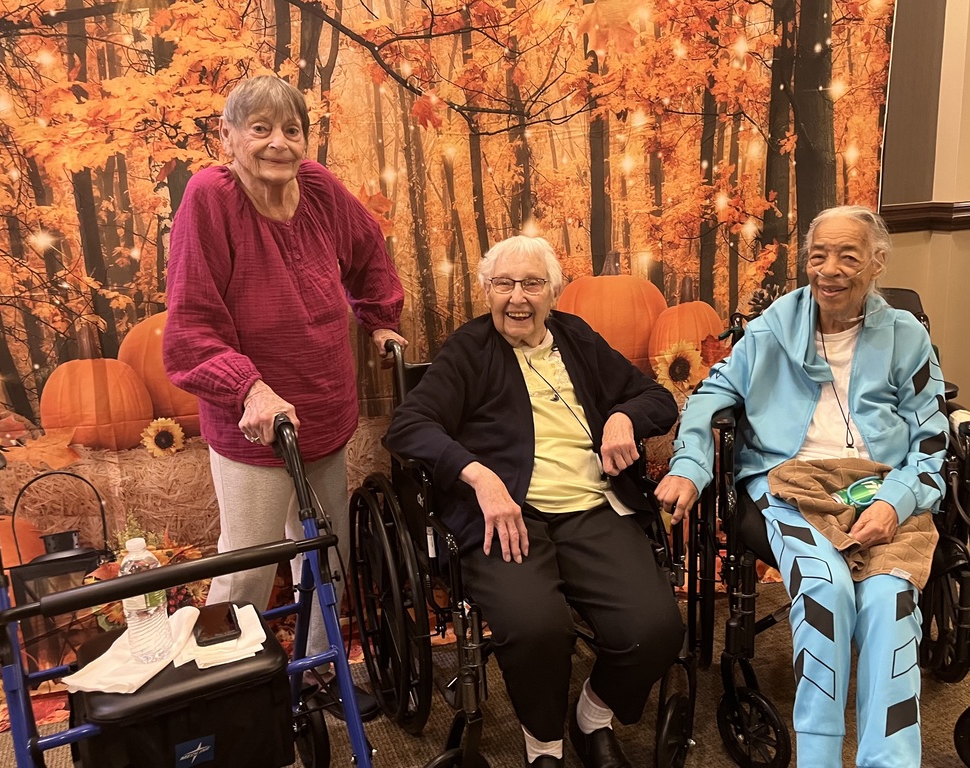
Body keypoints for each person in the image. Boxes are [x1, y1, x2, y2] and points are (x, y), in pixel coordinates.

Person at [655, 205, 949, 768]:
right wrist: (690, 466)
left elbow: (933, 437)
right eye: (818, 256)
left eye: (847, 257)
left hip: (880, 485)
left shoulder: (905, 336)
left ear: (877, 263)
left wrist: (898, 500)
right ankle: (817, 758)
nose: (829, 270)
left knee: (890, 601)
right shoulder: (772, 330)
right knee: (824, 590)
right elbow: (708, 397)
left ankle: (889, 762)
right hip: (787, 483)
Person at [385, 235, 683, 768]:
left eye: (531, 284)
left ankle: (593, 715)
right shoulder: (470, 349)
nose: (517, 297)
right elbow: (408, 426)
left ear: (553, 293)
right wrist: (480, 477)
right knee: (537, 629)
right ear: (487, 291)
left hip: (593, 507)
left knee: (655, 631)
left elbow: (657, 398)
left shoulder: (576, 337)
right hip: (508, 517)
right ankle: (544, 745)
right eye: (504, 284)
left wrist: (623, 417)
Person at [162, 75, 406, 715]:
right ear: (228, 136)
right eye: (260, 128)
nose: (279, 143)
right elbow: (191, 327)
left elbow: (368, 252)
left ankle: (317, 673)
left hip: (324, 406)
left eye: (291, 129)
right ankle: (224, 695)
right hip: (255, 424)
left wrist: (379, 317)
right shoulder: (209, 198)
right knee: (247, 566)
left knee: (328, 554)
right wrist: (248, 388)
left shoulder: (318, 187)